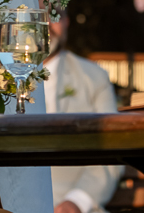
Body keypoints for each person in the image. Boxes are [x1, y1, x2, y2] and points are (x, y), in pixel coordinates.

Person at [46, 14, 121, 213]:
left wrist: (77, 201)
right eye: (35, 14)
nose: (45, 24)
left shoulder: (94, 77)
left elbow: (111, 148)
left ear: (66, 21)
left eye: (53, 15)